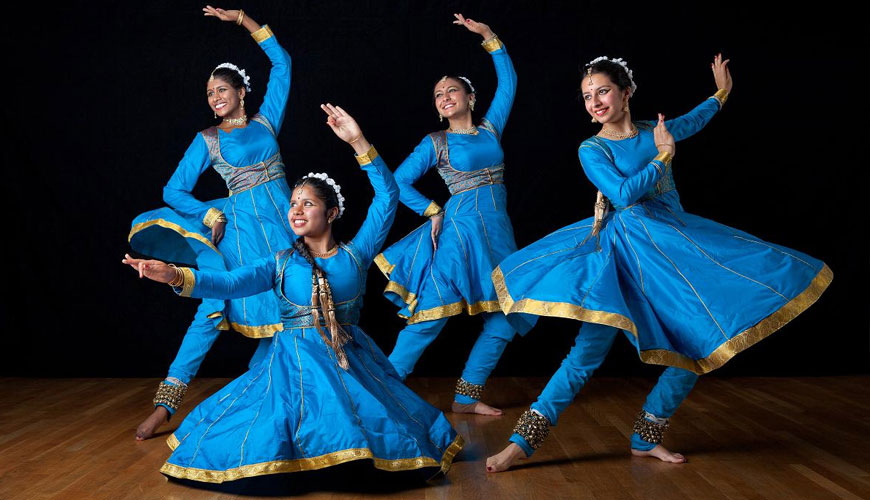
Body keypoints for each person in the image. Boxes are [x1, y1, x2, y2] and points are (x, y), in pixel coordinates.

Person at [485, 54, 832, 472]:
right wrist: (663, 158)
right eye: (587, 96)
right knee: (583, 357)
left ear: (625, 92)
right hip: (620, 257)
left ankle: (646, 437)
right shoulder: (591, 148)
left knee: (695, 346)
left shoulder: (656, 130)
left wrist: (721, 94)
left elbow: (693, 120)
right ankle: (520, 444)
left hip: (673, 254)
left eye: (603, 91)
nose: (594, 102)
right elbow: (623, 193)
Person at [122, 104, 463, 483]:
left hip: (351, 360)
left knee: (385, 429)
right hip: (293, 366)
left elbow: (387, 195)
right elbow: (230, 283)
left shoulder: (356, 253)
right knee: (271, 432)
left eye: (308, 203)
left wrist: (358, 140)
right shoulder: (280, 262)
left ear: (331, 213)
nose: (296, 209)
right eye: (293, 203)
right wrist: (174, 275)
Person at [127, 6, 294, 440]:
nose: (214, 96)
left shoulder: (267, 122)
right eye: (208, 92)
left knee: (293, 310)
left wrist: (243, 20)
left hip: (288, 230)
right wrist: (208, 212)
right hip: (238, 234)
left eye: (221, 88)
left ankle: (265, 396)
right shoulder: (209, 139)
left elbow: (283, 62)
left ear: (242, 91)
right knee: (212, 310)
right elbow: (173, 191)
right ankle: (166, 404)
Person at [375, 14, 522, 416]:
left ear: (470, 98)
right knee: (430, 313)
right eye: (438, 94)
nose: (444, 96)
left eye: (452, 90)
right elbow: (396, 181)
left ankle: (467, 395)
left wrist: (490, 37)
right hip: (459, 234)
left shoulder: (491, 130)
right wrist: (431, 208)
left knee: (508, 315)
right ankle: (382, 394)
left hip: (499, 232)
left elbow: (508, 83)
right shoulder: (436, 142)